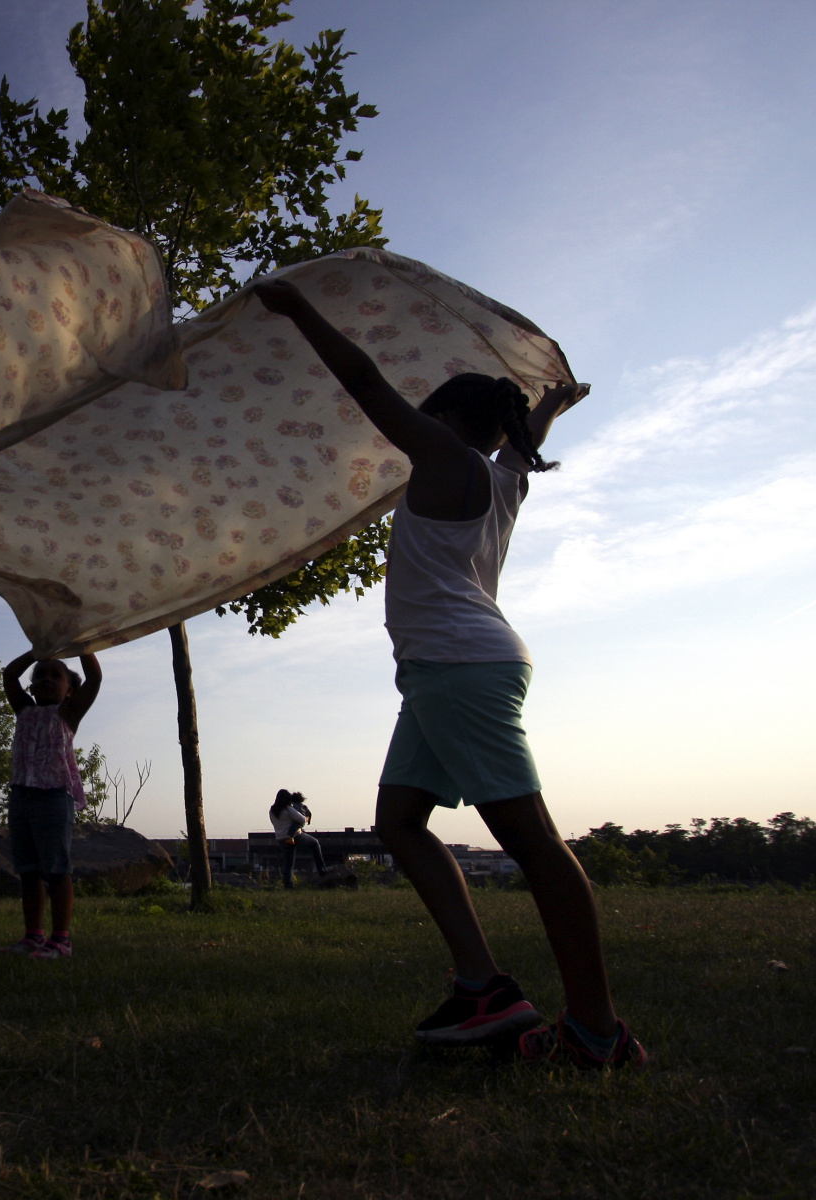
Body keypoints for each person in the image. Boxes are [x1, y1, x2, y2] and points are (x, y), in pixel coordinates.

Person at [252, 277, 647, 1069]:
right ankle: (482, 987)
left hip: (459, 668)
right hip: (450, 669)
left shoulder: (444, 455)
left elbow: (365, 382)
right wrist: (549, 409)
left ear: (444, 418)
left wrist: (300, 308)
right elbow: (520, 436)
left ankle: (598, 1034)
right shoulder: (507, 476)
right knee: (398, 821)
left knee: (532, 843)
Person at [0, 650, 102, 960]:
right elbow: (9, 675)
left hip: (55, 797)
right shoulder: (23, 709)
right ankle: (33, 937)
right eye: (40, 675)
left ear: (70, 689)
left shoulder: (68, 713)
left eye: (56, 675)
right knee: (28, 871)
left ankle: (61, 940)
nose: (46, 679)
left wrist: (81, 644)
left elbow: (95, 678)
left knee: (56, 870)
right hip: (21, 796)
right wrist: (35, 653)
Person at [270, 789, 327, 888]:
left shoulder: (272, 810)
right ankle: (321, 870)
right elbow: (301, 820)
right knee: (315, 843)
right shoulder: (288, 808)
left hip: (281, 839)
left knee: (289, 864)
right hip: (295, 836)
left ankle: (288, 886)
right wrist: (307, 818)